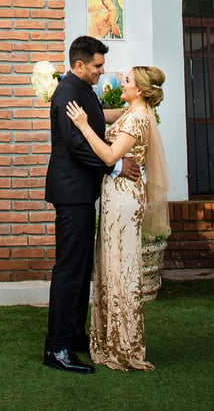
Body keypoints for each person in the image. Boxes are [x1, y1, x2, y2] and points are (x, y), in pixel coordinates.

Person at [43, 35, 140, 374]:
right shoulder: (67, 93)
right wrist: (115, 164)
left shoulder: (83, 89)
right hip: (71, 194)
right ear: (80, 64)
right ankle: (57, 348)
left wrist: (135, 109)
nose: (103, 71)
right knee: (69, 270)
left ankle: (74, 335)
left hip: (82, 192)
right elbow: (75, 145)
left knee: (82, 268)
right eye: (98, 66)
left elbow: (98, 118)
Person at [66, 66, 169, 372]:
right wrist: (69, 90)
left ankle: (126, 346)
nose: (121, 83)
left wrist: (83, 126)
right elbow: (104, 114)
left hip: (124, 199)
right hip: (115, 196)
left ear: (139, 90)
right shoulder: (130, 111)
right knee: (111, 264)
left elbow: (111, 157)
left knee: (121, 267)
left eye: (126, 81)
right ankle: (109, 338)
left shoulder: (137, 118)